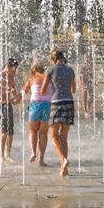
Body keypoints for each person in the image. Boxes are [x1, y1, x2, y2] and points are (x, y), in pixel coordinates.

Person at [41, 49, 76, 178]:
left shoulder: (50, 70)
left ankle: (63, 161)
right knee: (64, 137)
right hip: (69, 103)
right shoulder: (70, 70)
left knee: (54, 136)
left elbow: (43, 90)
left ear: (53, 58)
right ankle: (64, 168)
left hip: (56, 103)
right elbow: (74, 89)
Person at [0, 58, 21, 163]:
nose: (15, 71)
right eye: (14, 69)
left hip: (7, 105)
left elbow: (14, 92)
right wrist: (7, 98)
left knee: (10, 131)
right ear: (8, 67)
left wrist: (17, 97)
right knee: (3, 131)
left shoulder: (11, 78)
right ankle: (1, 155)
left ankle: (7, 154)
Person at [24, 60, 51, 166]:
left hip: (35, 105)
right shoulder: (49, 78)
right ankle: (41, 160)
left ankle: (33, 153)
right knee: (43, 133)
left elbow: (24, 91)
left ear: (34, 70)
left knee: (32, 130)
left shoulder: (32, 79)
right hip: (47, 105)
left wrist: (14, 98)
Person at [78, 53, 94, 117]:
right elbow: (79, 74)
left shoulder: (90, 65)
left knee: (91, 96)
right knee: (84, 97)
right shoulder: (82, 65)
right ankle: (85, 111)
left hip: (89, 82)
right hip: (84, 82)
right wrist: (80, 82)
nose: (87, 59)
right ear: (84, 59)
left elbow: (91, 73)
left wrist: (93, 80)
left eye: (87, 57)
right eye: (85, 58)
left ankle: (88, 108)